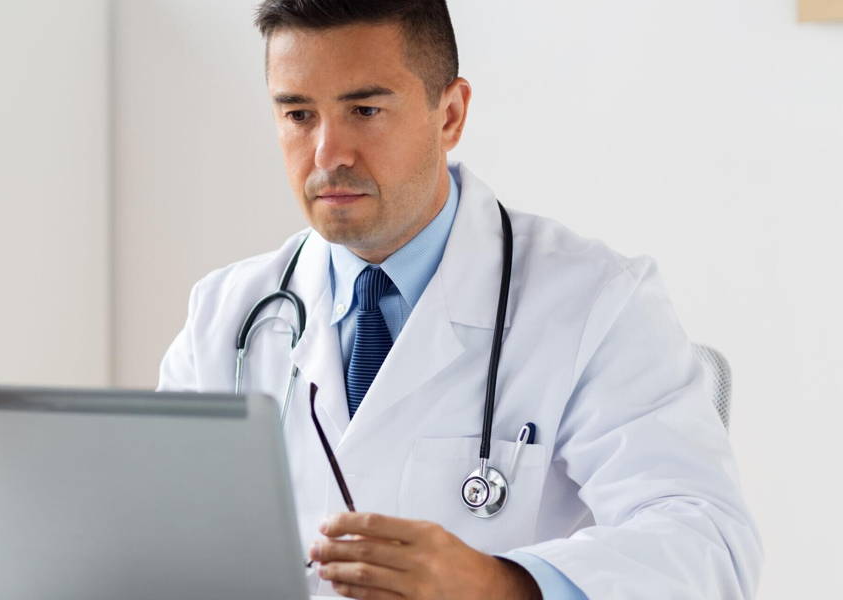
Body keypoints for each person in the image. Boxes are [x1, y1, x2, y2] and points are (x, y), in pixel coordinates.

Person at [158, 1, 762, 597]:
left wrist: (503, 584)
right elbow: (152, 534)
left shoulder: (597, 302)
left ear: (449, 114)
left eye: (364, 110)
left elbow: (707, 545)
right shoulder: (229, 314)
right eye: (297, 115)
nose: (327, 154)